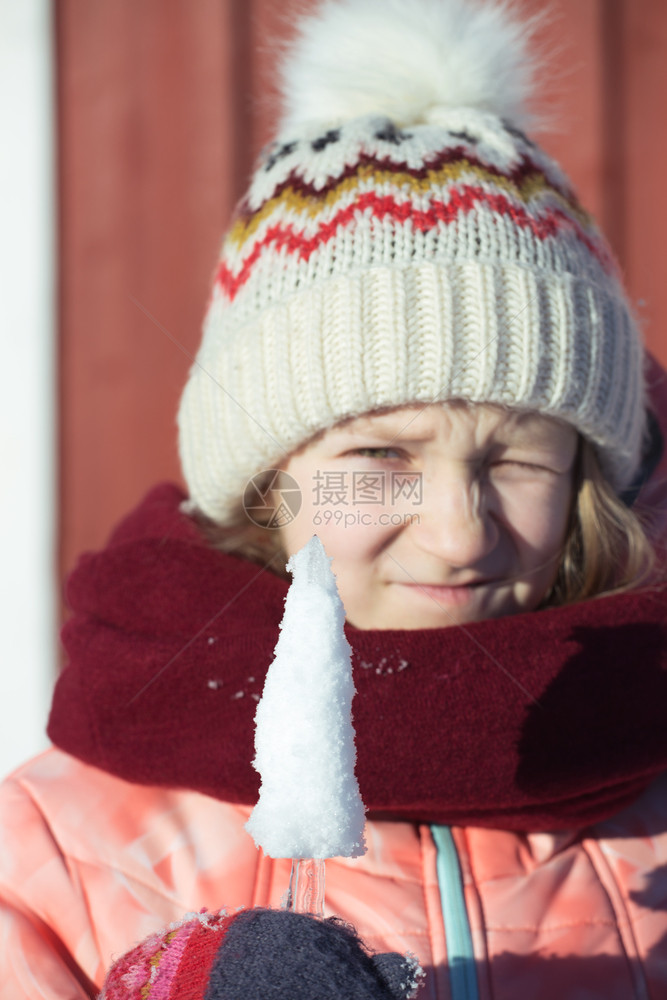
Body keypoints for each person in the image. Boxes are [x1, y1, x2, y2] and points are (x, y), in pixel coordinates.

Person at [2, 0, 667, 996]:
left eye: (516, 460)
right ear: (268, 477)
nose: (455, 536)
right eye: (382, 455)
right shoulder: (62, 845)